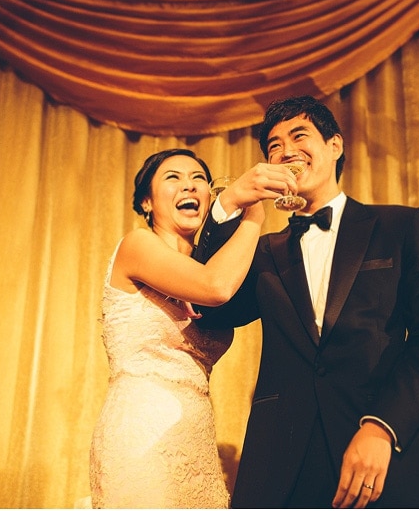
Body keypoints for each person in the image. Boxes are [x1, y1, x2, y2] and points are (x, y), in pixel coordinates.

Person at [193, 96, 419, 509]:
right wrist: (228, 206)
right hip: (284, 463)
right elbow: (207, 310)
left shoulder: (400, 226)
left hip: (382, 451)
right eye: (274, 146)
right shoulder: (262, 252)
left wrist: (383, 428)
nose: (286, 151)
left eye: (299, 136)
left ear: (335, 146)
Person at [88, 148, 294, 508]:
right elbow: (215, 287)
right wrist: (251, 218)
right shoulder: (138, 245)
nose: (190, 186)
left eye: (199, 179)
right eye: (174, 178)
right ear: (147, 202)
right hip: (142, 430)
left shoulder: (209, 261)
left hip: (196, 436)